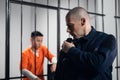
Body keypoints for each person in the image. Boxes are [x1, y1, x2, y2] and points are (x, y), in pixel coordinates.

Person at [54, 7, 117, 80]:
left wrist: (71, 50)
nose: (67, 30)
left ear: (83, 21)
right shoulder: (69, 45)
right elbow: (59, 75)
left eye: (70, 25)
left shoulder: (107, 39)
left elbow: (98, 65)